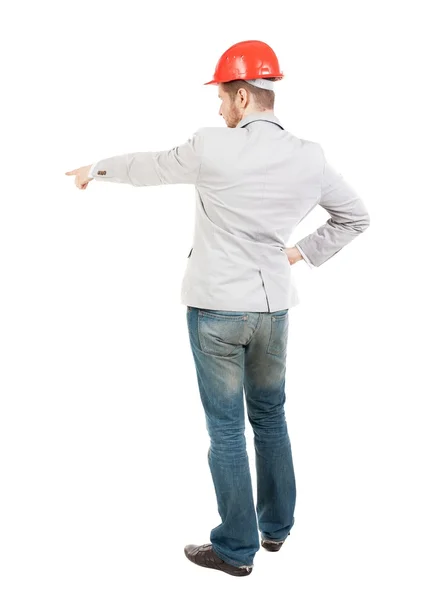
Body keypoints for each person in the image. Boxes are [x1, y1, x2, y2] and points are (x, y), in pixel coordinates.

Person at [65, 40, 370, 577]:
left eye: (224, 98)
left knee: (227, 430)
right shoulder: (310, 155)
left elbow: (149, 167)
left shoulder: (210, 146)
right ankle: (276, 529)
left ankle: (235, 548)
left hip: (216, 312)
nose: (219, 109)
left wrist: (98, 168)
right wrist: (299, 253)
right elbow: (355, 217)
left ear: (244, 95)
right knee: (271, 416)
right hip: (273, 311)